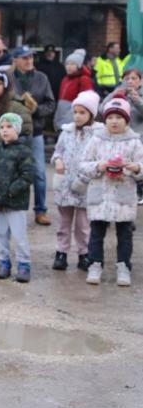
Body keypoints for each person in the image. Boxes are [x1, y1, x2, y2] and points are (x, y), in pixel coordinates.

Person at [76, 97, 143, 286]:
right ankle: (95, 264)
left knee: (125, 234)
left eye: (119, 117)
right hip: (100, 194)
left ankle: (123, 266)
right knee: (96, 233)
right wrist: (100, 165)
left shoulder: (134, 142)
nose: (114, 121)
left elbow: (141, 165)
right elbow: (82, 165)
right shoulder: (96, 140)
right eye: (110, 117)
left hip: (124, 195)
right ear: (104, 119)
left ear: (127, 120)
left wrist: (135, 168)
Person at [50, 91, 102, 272]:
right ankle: (61, 253)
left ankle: (84, 254)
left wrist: (87, 177)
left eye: (82, 113)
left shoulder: (97, 135)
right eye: (75, 112)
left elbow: (98, 160)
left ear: (91, 115)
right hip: (65, 186)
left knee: (83, 225)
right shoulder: (66, 132)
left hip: (85, 187)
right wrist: (57, 160)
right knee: (64, 223)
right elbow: (58, 151)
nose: (78, 116)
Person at [0, 113, 35, 282]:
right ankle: (4, 263)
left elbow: (27, 176)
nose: (5, 130)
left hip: (16, 202)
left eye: (9, 127)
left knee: (19, 235)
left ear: (17, 130)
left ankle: (23, 264)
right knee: (0, 234)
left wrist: (11, 191)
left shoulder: (24, 151)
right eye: (2, 127)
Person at [11, 45, 56, 226]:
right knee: (12, 172)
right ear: (15, 61)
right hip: (13, 133)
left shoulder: (41, 78)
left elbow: (51, 104)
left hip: (36, 132)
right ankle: (13, 209)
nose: (29, 60)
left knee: (38, 173)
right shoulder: (8, 78)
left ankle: (40, 210)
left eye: (30, 57)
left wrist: (37, 110)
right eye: (24, 58)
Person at [101, 68, 143, 206]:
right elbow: (102, 110)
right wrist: (113, 95)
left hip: (138, 138)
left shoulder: (140, 95)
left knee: (135, 168)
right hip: (117, 138)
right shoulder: (119, 92)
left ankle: (138, 193)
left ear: (140, 81)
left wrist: (138, 101)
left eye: (133, 78)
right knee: (119, 169)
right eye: (127, 79)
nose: (130, 81)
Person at [54, 49, 93, 131]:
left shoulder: (84, 79)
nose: (68, 66)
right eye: (67, 64)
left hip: (72, 114)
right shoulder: (65, 79)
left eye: (72, 64)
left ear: (78, 66)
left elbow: (86, 101)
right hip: (61, 112)